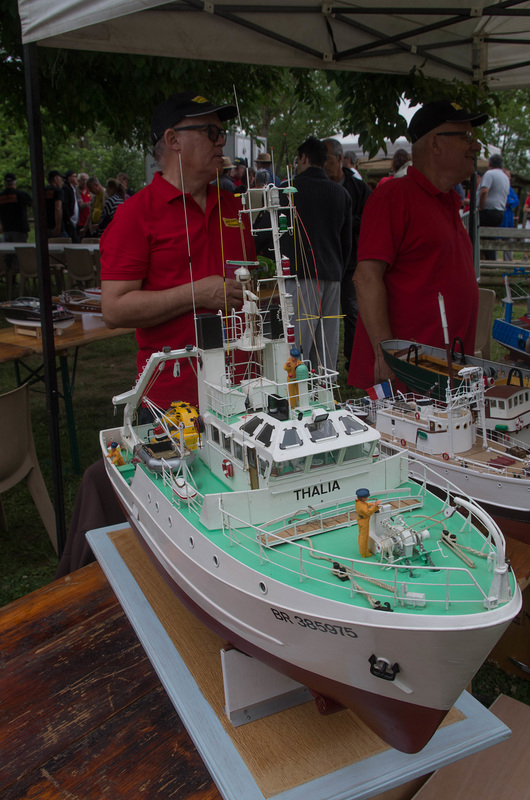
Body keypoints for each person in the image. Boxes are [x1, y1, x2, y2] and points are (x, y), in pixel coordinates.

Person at [100, 90, 256, 409]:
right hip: (174, 402)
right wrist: (196, 294)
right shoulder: (135, 214)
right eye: (210, 132)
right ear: (173, 140)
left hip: (247, 391)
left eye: (221, 133)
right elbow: (114, 309)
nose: (221, 143)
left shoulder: (235, 206)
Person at [349, 99, 487, 389]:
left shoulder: (448, 200)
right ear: (435, 144)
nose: (476, 147)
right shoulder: (394, 197)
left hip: (443, 379)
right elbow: (366, 277)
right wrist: (386, 356)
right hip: (407, 383)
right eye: (467, 138)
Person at [276, 137, 352, 371]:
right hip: (332, 274)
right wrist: (339, 269)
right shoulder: (341, 193)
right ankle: (326, 390)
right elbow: (347, 243)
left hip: (301, 275)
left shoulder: (287, 191)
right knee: (327, 345)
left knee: (298, 343)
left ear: (304, 158)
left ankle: (295, 392)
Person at [324, 138, 371, 369]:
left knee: (352, 311)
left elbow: (369, 221)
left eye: (328, 159)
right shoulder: (320, 185)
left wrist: (345, 218)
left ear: (340, 159)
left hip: (352, 261)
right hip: (327, 261)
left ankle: (353, 361)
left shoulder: (358, 188)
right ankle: (323, 363)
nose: (323, 164)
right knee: (325, 314)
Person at [479, 153, 510, 261]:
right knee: (489, 238)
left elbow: (484, 191)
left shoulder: (489, 174)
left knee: (469, 228)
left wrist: (480, 207)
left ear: (489, 164)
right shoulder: (505, 177)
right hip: (500, 212)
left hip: (488, 211)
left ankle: (469, 258)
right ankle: (490, 260)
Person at [0, 173, 32, 244]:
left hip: (6, 229)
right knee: (20, 252)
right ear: (15, 182)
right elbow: (34, 205)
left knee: (8, 252)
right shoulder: (22, 194)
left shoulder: (1, 196)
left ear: (5, 182)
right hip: (20, 229)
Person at [355, 488, 380, 558]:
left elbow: (366, 504)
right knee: (363, 537)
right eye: (366, 497)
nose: (367, 498)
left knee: (363, 536)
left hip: (361, 519)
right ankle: (363, 553)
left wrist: (372, 504)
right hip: (364, 521)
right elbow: (368, 512)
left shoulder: (358, 502)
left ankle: (365, 550)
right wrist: (375, 506)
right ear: (363, 498)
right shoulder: (362, 506)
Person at [500, 170, 519, 262]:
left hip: (508, 220)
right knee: (495, 242)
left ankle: (508, 263)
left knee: (509, 242)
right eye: (507, 176)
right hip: (500, 220)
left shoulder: (510, 189)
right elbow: (502, 200)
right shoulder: (499, 188)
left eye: (509, 176)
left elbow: (516, 201)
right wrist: (508, 201)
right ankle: (494, 266)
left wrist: (508, 201)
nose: (509, 178)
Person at [44, 170, 64, 238]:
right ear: (55, 179)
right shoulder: (58, 191)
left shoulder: (42, 190)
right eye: (60, 179)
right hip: (54, 227)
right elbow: (58, 208)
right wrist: (58, 226)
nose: (62, 182)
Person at [62, 170, 80, 242]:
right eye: (75, 176)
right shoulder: (66, 188)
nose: (77, 179)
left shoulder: (73, 188)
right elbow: (65, 204)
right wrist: (68, 218)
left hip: (74, 221)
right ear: (69, 178)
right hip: (69, 220)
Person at [76, 172, 91, 238]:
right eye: (83, 180)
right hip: (80, 222)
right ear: (78, 180)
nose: (85, 182)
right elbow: (80, 205)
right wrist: (89, 203)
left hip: (89, 221)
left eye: (86, 180)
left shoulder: (90, 190)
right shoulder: (76, 190)